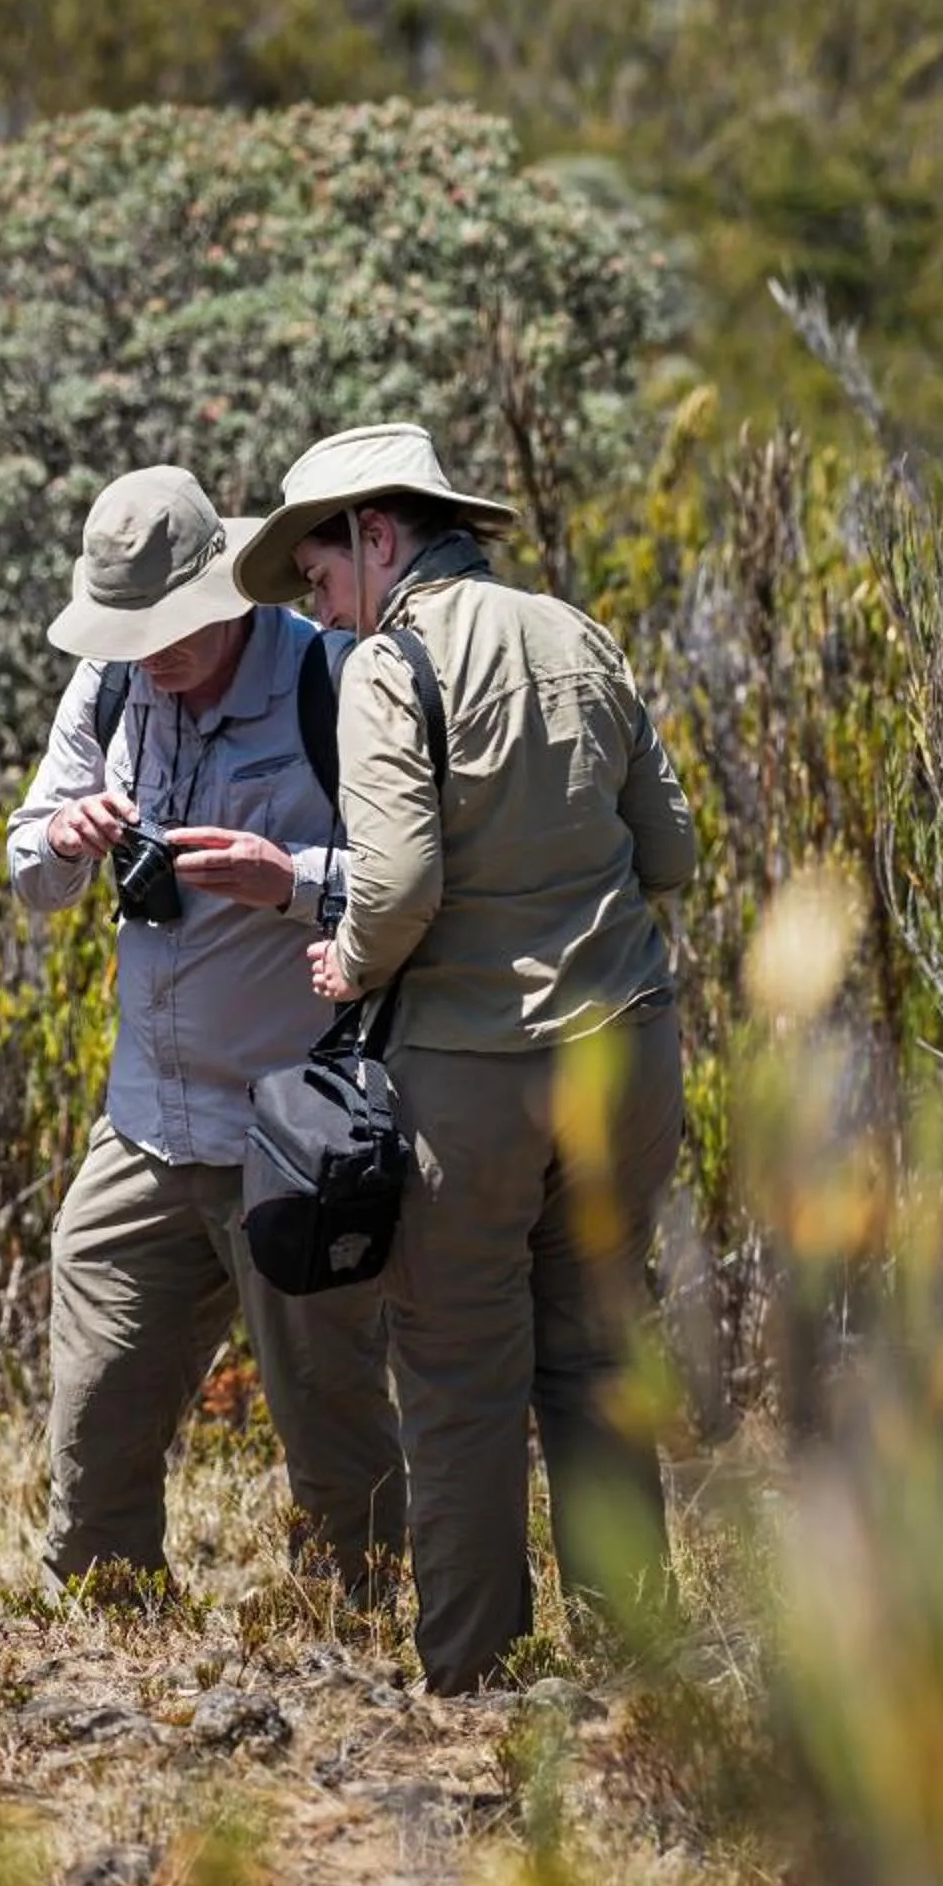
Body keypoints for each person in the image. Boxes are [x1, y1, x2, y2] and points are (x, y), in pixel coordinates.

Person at [230, 422, 699, 1692]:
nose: (320, 613)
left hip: (471, 1080)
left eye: (321, 578)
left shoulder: (395, 660)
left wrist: (351, 960)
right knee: (599, 1353)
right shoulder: (577, 633)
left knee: (458, 1378)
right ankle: (636, 1661)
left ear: (378, 535)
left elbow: (394, 885)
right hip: (626, 1055)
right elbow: (672, 853)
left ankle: (477, 1676)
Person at [8, 463, 406, 1595]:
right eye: (132, 632)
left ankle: (360, 1623)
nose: (155, 654)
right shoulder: (106, 686)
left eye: (173, 628)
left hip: (295, 1133)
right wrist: (69, 837)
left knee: (332, 1422)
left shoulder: (332, 675)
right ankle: (105, 1613)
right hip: (144, 1123)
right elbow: (28, 863)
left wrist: (291, 879)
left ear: (232, 589)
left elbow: (418, 878)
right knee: (95, 1410)